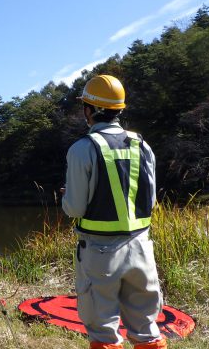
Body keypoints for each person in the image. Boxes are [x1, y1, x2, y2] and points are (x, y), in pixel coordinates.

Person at [61, 74, 167, 349]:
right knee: (146, 327)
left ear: (89, 110)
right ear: (119, 109)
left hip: (99, 252)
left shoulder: (82, 149)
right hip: (142, 246)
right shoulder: (143, 146)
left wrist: (67, 196)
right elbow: (150, 200)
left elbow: (74, 208)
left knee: (103, 331)